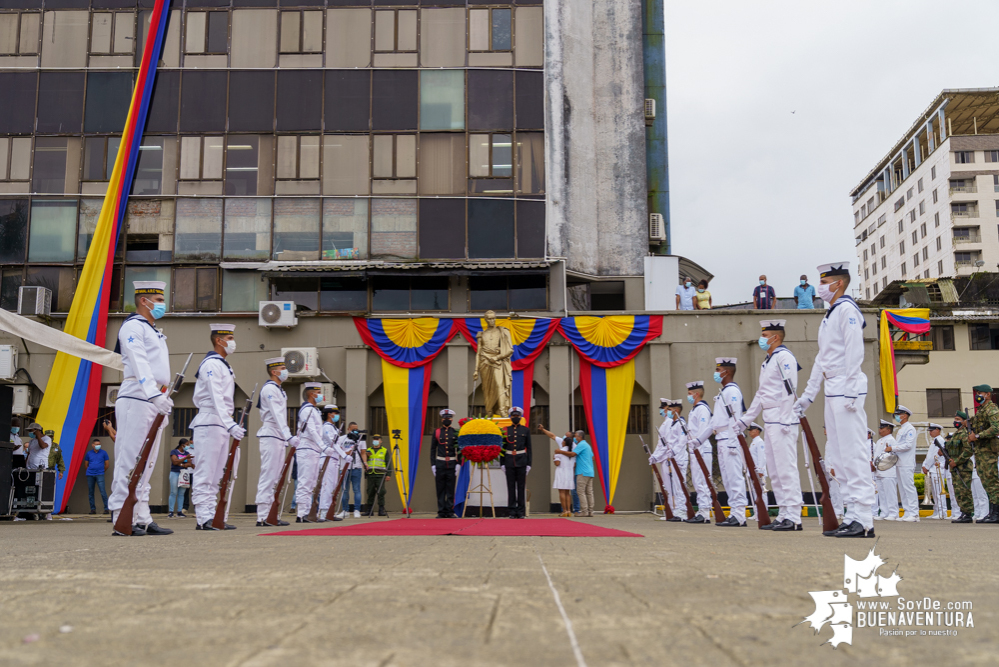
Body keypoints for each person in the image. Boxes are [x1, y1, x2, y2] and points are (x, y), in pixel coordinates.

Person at [794, 261, 875, 538]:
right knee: (839, 458)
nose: (821, 287)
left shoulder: (847, 310)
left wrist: (852, 386)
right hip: (833, 388)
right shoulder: (831, 313)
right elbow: (822, 359)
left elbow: (854, 351)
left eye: (825, 281)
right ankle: (851, 514)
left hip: (845, 386)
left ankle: (864, 519)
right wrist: (808, 395)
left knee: (854, 454)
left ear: (838, 283)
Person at [108, 280, 174, 537]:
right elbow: (139, 363)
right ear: (144, 301)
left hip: (153, 398)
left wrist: (161, 396)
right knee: (130, 460)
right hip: (138, 396)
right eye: (158, 300)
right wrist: (152, 394)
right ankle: (120, 516)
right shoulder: (133, 326)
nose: (161, 304)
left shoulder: (153, 330)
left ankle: (142, 517)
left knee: (146, 464)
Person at [738, 319, 802, 531]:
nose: (762, 339)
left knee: (786, 468)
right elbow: (761, 394)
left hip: (783, 419)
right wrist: (745, 420)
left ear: (775, 337)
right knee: (774, 470)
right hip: (771, 419)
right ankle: (784, 513)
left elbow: (789, 389)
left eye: (765, 336)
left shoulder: (784, 357)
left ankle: (794, 516)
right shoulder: (768, 361)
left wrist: (785, 417)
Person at [189, 324, 244, 531]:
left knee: (217, 475)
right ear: (219, 341)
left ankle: (212, 516)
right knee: (205, 472)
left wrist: (228, 422)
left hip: (220, 422)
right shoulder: (211, 364)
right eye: (229, 337)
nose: (232, 342)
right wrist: (230, 423)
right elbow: (215, 396)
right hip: (210, 420)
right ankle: (203, 518)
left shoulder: (223, 365)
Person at [702, 358, 747, 527]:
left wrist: (733, 441)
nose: (716, 373)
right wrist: (698, 440)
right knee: (727, 479)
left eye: (717, 369)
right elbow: (714, 423)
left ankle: (740, 514)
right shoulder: (723, 392)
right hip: (721, 438)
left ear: (726, 372)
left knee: (734, 477)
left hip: (729, 438)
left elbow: (735, 418)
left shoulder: (732, 391)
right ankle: (734, 512)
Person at [255, 357, 299, 527]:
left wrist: (286, 436)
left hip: (278, 435)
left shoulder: (279, 389)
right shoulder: (270, 389)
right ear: (274, 372)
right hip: (271, 433)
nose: (285, 371)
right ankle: (263, 516)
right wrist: (288, 435)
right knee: (268, 475)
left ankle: (269, 514)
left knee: (275, 477)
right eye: (282, 367)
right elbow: (277, 415)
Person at [649, 399, 687, 521]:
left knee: (678, 485)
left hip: (677, 458)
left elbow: (681, 441)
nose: (666, 411)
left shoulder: (679, 423)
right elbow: (664, 444)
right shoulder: (671, 424)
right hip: (669, 457)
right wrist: (655, 456)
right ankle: (673, 510)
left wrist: (673, 452)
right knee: (669, 486)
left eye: (669, 409)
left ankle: (681, 511)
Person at [295, 382, 326, 522]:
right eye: (318, 392)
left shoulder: (314, 410)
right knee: (305, 481)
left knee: (312, 482)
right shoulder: (306, 410)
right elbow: (311, 430)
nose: (320, 395)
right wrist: (322, 444)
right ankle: (301, 514)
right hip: (306, 447)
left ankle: (307, 512)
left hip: (314, 448)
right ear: (311, 394)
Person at [968, 384, 999, 523]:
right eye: (977, 392)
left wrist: (978, 436)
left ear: (987, 394)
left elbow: (996, 427)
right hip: (981, 451)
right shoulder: (980, 410)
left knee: (991, 481)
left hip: (988, 450)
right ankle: (992, 513)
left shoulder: (991, 409)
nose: (977, 395)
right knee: (986, 481)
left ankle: (996, 514)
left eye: (980, 393)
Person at [684, 381, 713, 523]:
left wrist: (697, 444)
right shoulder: (694, 410)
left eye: (689, 394)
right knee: (697, 481)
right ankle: (702, 510)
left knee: (702, 480)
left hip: (701, 448)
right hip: (695, 449)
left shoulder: (702, 409)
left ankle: (705, 512)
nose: (688, 396)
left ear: (696, 394)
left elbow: (703, 430)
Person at [317, 408, 349, 521]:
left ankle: (329, 512)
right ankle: (322, 513)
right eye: (335, 413)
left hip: (334, 459)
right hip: (327, 459)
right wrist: (344, 455)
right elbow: (333, 444)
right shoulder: (326, 427)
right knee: (327, 485)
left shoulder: (333, 428)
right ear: (329, 414)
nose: (337, 416)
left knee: (332, 486)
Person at [501, 406, 532, 519]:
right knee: (510, 487)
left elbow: (529, 448)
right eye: (513, 416)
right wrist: (502, 463)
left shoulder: (525, 430)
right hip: (509, 460)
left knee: (521, 487)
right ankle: (512, 511)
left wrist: (529, 464)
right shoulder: (505, 430)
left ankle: (521, 511)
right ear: (510, 417)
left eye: (517, 416)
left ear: (520, 417)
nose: (515, 417)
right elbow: (503, 448)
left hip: (522, 460)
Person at [891, 406, 919, 522]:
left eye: (899, 414)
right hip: (900, 462)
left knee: (909, 487)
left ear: (905, 415)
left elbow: (908, 445)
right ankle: (907, 512)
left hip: (907, 462)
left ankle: (914, 513)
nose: (897, 416)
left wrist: (892, 447)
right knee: (902, 488)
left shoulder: (910, 429)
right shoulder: (901, 429)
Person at [922, 423, 956, 520]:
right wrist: (925, 465)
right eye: (929, 431)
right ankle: (937, 510)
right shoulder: (934, 441)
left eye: (932, 430)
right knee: (935, 492)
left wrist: (927, 466)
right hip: (932, 469)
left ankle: (942, 512)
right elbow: (929, 456)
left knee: (939, 492)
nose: (930, 432)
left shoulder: (940, 441)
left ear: (938, 430)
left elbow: (935, 456)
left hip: (938, 469)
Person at [430, 409, 460, 518]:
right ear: (442, 419)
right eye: (445, 418)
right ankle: (441, 511)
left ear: (451, 419)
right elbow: (433, 449)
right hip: (440, 464)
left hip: (452, 464)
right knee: (440, 489)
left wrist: (458, 464)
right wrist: (433, 464)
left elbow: (459, 449)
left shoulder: (455, 432)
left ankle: (450, 511)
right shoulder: (437, 432)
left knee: (450, 489)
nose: (446, 420)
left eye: (448, 418)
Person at [539, 425, 575, 517]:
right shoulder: (573, 448)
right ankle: (569, 510)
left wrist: (554, 456)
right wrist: (543, 429)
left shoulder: (559, 451)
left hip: (561, 472)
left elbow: (557, 463)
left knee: (562, 492)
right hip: (570, 472)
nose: (562, 439)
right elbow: (552, 436)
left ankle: (564, 510)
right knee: (567, 492)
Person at [948, 411, 976, 523]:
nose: (955, 421)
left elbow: (968, 451)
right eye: (955, 419)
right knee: (958, 491)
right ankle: (963, 512)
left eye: (958, 419)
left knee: (964, 490)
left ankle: (968, 514)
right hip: (955, 466)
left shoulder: (965, 434)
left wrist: (957, 461)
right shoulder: (956, 434)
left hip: (963, 467)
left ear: (965, 421)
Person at [873, 420, 898, 521]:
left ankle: (893, 512)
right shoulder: (879, 441)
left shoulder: (891, 440)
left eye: (882, 428)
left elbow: (892, 457)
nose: (880, 430)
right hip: (879, 471)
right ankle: (884, 512)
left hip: (888, 471)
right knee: (882, 493)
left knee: (890, 493)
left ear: (888, 429)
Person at [341, 428, 367, 518]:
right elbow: (339, 451)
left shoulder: (360, 439)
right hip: (344, 467)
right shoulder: (342, 438)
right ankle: (345, 510)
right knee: (345, 490)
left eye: (357, 429)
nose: (355, 431)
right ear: (348, 429)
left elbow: (363, 452)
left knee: (357, 489)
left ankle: (357, 510)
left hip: (357, 467)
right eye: (353, 429)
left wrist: (365, 463)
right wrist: (349, 451)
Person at [364, 434, 392, 516]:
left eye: (377, 439)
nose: (375, 441)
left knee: (381, 492)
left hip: (380, 474)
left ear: (381, 441)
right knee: (370, 492)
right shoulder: (368, 450)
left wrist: (388, 474)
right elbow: (365, 461)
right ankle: (369, 510)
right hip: (370, 474)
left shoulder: (384, 450)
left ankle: (381, 510)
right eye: (374, 439)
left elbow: (388, 463)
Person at [569, 430, 594, 517]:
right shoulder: (587, 445)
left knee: (580, 491)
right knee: (589, 492)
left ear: (580, 437)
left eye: (575, 436)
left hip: (582, 472)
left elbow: (572, 454)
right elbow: (593, 457)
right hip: (590, 471)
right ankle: (590, 511)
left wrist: (560, 452)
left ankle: (584, 510)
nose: (574, 438)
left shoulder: (581, 445)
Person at [83, 438, 110, 514]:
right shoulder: (89, 453)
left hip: (100, 474)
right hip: (90, 475)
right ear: (93, 445)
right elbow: (86, 464)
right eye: (97, 444)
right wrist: (90, 471)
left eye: (99, 444)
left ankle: (106, 508)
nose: (98, 446)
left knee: (103, 492)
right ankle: (93, 509)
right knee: (91, 492)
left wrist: (101, 471)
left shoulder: (104, 453)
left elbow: (107, 465)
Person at [167, 439, 193, 519]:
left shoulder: (187, 453)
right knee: (173, 492)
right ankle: (171, 511)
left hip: (183, 474)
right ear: (182, 445)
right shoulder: (174, 452)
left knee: (181, 493)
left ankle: (179, 511)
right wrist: (184, 459)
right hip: (174, 473)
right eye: (186, 444)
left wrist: (181, 463)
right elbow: (174, 462)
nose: (188, 446)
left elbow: (189, 463)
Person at [747, 424, 767, 494]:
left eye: (751, 430)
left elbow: (762, 456)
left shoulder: (759, 442)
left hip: (758, 471)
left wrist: (760, 470)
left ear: (756, 431)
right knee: (755, 493)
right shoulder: (754, 442)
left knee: (761, 493)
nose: (749, 432)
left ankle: (764, 505)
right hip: (754, 471)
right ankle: (757, 505)